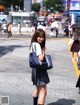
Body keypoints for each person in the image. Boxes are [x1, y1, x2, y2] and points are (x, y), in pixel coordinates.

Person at [30, 29, 50, 105]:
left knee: (37, 88)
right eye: (39, 37)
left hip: (35, 69)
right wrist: (43, 52)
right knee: (43, 91)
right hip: (40, 70)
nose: (41, 39)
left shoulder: (33, 44)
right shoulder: (38, 45)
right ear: (35, 36)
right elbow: (41, 58)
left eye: (42, 37)